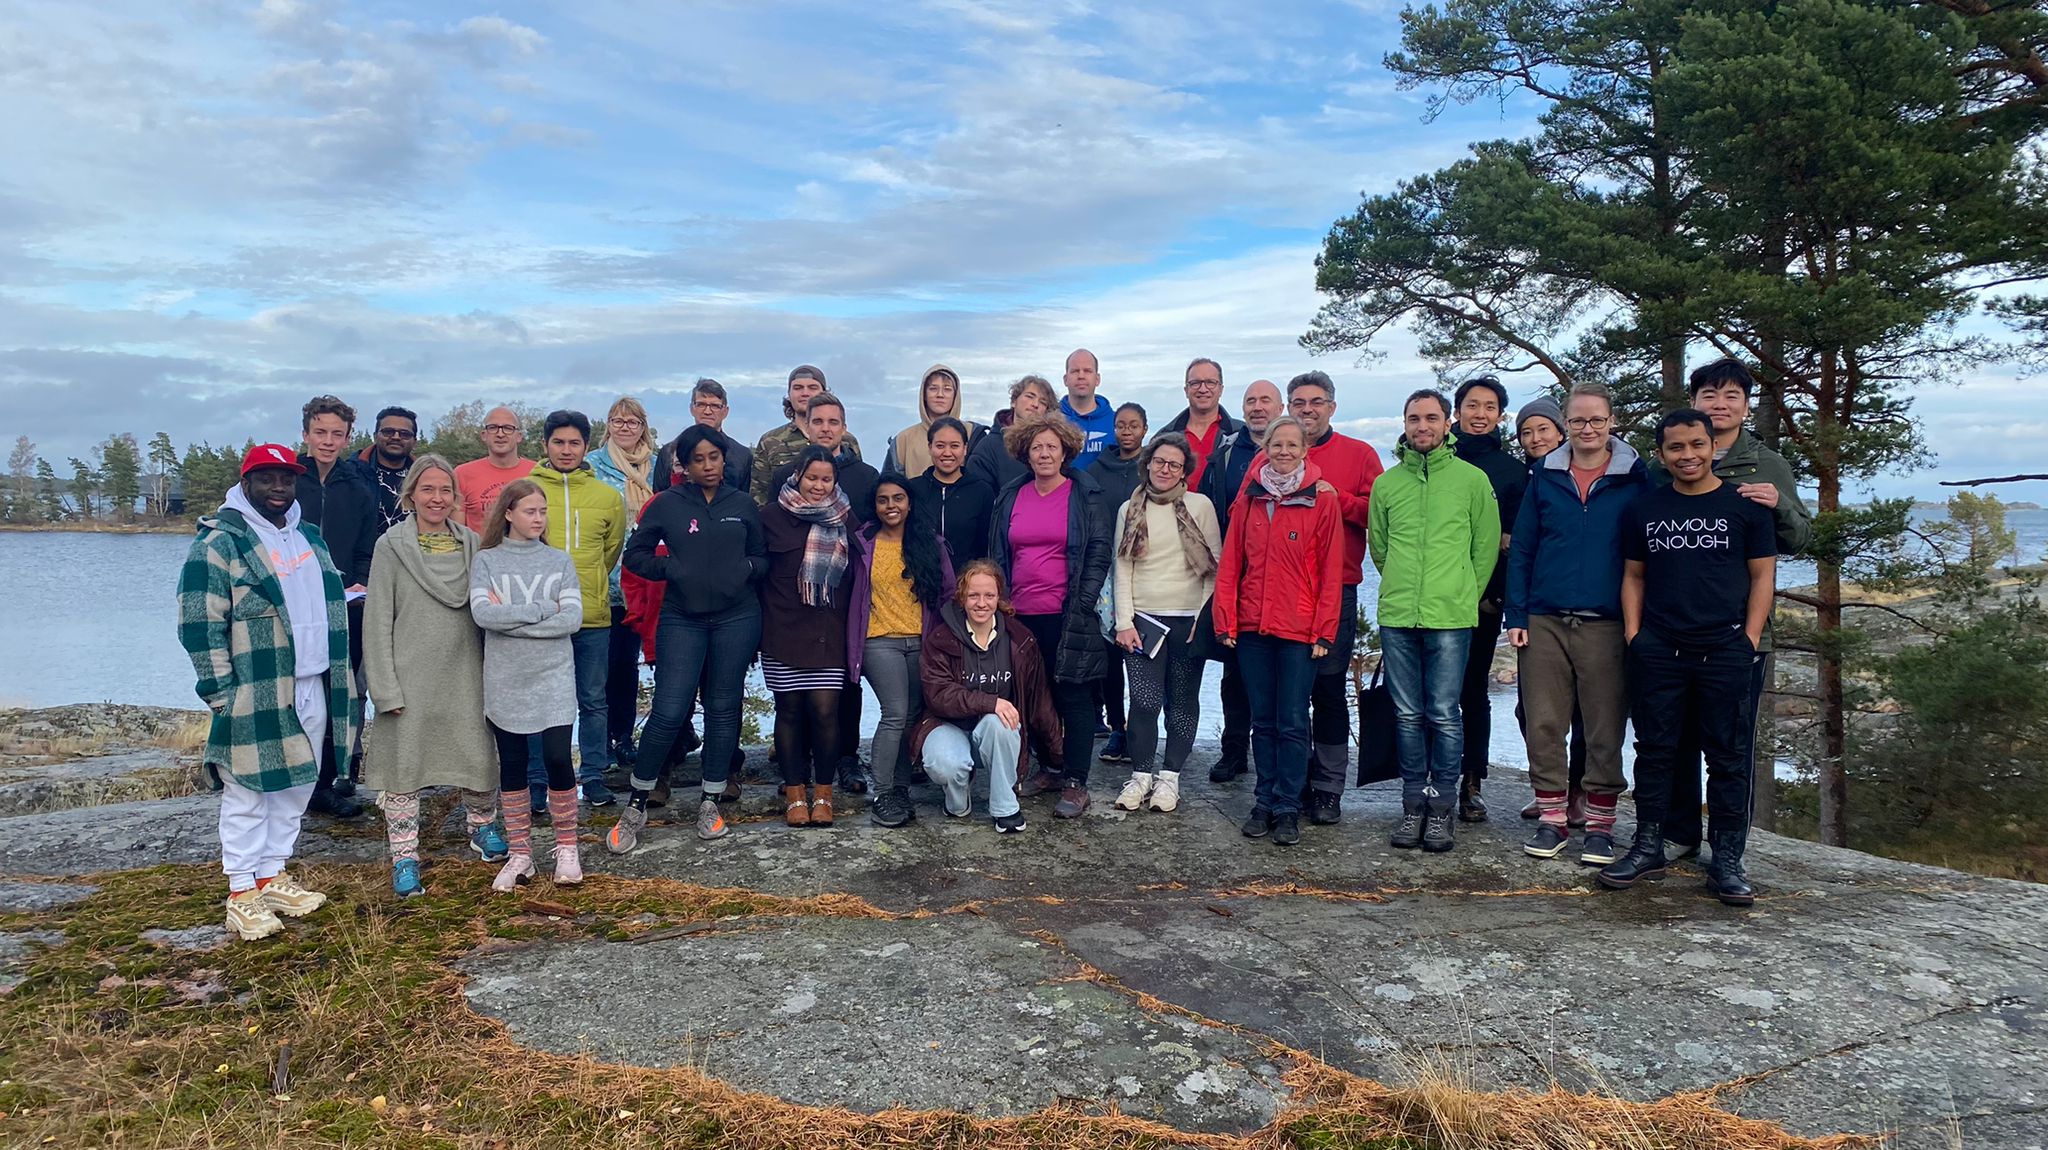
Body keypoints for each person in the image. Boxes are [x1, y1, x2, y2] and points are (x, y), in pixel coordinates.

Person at [1599, 409, 1778, 906]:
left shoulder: (1745, 508)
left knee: (1728, 757)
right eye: (1676, 448)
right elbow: (1633, 576)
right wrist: (1636, 636)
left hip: (1725, 649)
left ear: (1711, 446)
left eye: (1697, 445)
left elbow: (1763, 576)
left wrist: (1748, 639)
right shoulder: (1645, 510)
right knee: (1655, 753)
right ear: (1662, 454)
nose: (1688, 455)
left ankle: (1726, 860)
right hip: (1660, 650)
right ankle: (1648, 846)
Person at [178, 443, 355, 941]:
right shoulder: (219, 542)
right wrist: (219, 693)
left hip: (315, 680)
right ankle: (240, 891)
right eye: (267, 479)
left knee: (299, 781)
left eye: (286, 479)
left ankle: (272, 874)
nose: (278, 488)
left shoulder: (310, 537)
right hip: (255, 687)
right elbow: (198, 622)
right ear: (247, 481)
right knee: (248, 788)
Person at [1656, 358, 1814, 862]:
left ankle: (1728, 848)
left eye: (1731, 396)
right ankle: (1679, 833)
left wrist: (1780, 505)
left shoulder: (1767, 465)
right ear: (1694, 401)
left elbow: (1800, 538)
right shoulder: (1671, 456)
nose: (1719, 405)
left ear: (1746, 406)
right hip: (1671, 632)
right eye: (1709, 395)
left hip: (1738, 633)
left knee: (1730, 746)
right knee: (1673, 739)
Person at [1503, 385, 1646, 868]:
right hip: (1544, 618)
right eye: (1579, 421)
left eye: (1597, 420)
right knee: (1544, 722)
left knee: (1605, 727)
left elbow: (1645, 554)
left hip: (1606, 621)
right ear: (1567, 424)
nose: (1588, 429)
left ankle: (1602, 826)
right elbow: (1523, 546)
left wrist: (1637, 622)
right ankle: (1552, 818)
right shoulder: (1546, 474)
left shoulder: (1635, 477)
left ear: (1611, 421)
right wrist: (1516, 615)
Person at [607, 426, 766, 852]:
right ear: (685, 464)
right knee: (670, 707)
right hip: (683, 618)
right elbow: (636, 556)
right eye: (699, 459)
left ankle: (710, 801)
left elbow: (763, 557)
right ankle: (637, 801)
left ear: (724, 459)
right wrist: (672, 569)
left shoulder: (743, 505)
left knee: (723, 706)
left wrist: (746, 570)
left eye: (715, 457)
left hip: (737, 617)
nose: (709, 465)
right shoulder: (667, 505)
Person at [360, 455, 504, 897]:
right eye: (427, 489)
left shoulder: (475, 545)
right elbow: (377, 618)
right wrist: (384, 687)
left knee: (478, 755)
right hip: (409, 675)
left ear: (456, 498)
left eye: (445, 490)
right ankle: (405, 857)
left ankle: (482, 828)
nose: (437, 498)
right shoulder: (391, 545)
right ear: (411, 496)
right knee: (405, 769)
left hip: (466, 670)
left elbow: (493, 610)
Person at [1370, 389, 1500, 854]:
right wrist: (1405, 586)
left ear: (1448, 424)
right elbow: (1380, 549)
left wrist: (1462, 591)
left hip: (1451, 615)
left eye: (1430, 418)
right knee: (1407, 715)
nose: (1421, 426)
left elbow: (1483, 550)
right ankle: (1411, 805)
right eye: (1413, 418)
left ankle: (1442, 807)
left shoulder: (1471, 480)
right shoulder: (1387, 484)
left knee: (1444, 714)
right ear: (1404, 425)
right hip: (1399, 613)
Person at [1213, 417, 1343, 847]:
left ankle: (1288, 805)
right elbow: (1231, 564)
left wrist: (1325, 631)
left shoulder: (1322, 501)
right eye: (1277, 444)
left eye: (1292, 445)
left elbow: (1330, 571)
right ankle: (1263, 800)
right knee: (1262, 721)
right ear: (1265, 449)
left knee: (1291, 721)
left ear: (1305, 449)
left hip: (1300, 631)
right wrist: (1225, 620)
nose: (1284, 451)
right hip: (1252, 626)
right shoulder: (1249, 500)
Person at [989, 414, 1113, 819]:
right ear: (1025, 452)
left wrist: (1083, 601)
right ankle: (1050, 768)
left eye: (1051, 447)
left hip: (1068, 612)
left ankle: (1076, 782)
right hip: (1019, 613)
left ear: (1066, 452)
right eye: (1037, 447)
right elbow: (999, 553)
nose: (1044, 453)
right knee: (1031, 695)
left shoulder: (1084, 494)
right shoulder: (1012, 494)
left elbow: (1097, 551)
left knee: (1073, 696)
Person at [1275, 372, 1385, 823]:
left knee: (1328, 689)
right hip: (1281, 592)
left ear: (1332, 407)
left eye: (1316, 402)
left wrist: (1336, 499)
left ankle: (1328, 786)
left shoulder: (1358, 455)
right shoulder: (1274, 456)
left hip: (1335, 588)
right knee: (1289, 692)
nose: (1307, 410)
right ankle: (1293, 777)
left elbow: (1379, 515)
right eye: (1298, 402)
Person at [469, 479, 587, 890]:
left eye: (542, 511)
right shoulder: (487, 562)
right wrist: (542, 610)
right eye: (529, 511)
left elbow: (571, 620)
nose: (537, 519)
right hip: (505, 680)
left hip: (553, 676)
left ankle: (567, 847)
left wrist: (515, 620)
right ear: (508, 514)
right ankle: (521, 853)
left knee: (557, 758)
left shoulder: (559, 561)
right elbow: (484, 615)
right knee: (514, 763)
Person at [767, 391, 882, 793]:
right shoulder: (779, 494)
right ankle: (795, 778)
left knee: (838, 699)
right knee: (793, 706)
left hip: (838, 613)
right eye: (819, 422)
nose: (826, 429)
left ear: (844, 428)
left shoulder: (861, 484)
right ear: (807, 424)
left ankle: (839, 770)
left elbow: (869, 547)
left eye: (834, 422)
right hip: (789, 618)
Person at [1108, 433, 1220, 816]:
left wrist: (1202, 621)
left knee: (1183, 702)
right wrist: (1124, 621)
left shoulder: (1200, 506)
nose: (1165, 469)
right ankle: (1140, 774)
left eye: (1174, 464)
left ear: (1184, 469)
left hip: (1188, 619)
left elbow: (1213, 567)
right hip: (1143, 621)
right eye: (1159, 461)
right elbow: (1121, 566)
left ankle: (1169, 777)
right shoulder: (1129, 508)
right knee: (1143, 700)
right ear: (1148, 463)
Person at [912, 561, 1065, 832]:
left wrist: (1056, 755)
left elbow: (1039, 699)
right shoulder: (940, 639)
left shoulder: (1020, 639)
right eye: (973, 595)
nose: (981, 603)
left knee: (1003, 723)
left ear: (999, 597)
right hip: (948, 725)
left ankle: (1004, 807)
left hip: (993, 733)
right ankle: (957, 800)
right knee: (945, 764)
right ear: (961, 597)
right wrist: (990, 702)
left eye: (989, 595)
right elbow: (939, 695)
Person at [530, 410, 629, 806]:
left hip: (592, 615)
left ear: (586, 446)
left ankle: (593, 777)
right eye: (558, 442)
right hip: (538, 618)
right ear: (545, 445)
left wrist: (586, 585)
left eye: (574, 443)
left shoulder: (607, 496)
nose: (566, 450)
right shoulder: (525, 490)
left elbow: (610, 552)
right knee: (539, 701)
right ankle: (537, 783)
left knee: (593, 699)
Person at [759, 446, 857, 827]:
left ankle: (824, 794)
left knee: (825, 712)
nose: (819, 486)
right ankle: (795, 793)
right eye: (812, 477)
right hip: (782, 628)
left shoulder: (847, 517)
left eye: (826, 479)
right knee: (789, 712)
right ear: (798, 475)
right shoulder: (770, 516)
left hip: (828, 631)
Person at [849, 476, 955, 827]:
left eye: (898, 498)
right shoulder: (863, 542)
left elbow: (947, 594)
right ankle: (882, 794)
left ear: (909, 503)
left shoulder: (930, 543)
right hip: (880, 639)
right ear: (875, 505)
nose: (891, 505)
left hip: (921, 641)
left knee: (910, 715)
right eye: (883, 500)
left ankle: (900, 790)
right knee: (894, 713)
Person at [1449, 376, 1529, 822]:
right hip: (1434, 597)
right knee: (1432, 693)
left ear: (1500, 415)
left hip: (1483, 599)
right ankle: (1429, 776)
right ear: (1457, 411)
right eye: (1472, 405)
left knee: (1472, 692)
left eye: (1490, 407)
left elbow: (1515, 544)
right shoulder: (1435, 461)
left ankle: (1471, 781)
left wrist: (1497, 594)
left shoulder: (1513, 472)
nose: (1480, 414)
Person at [292, 395, 375, 817]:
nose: (328, 441)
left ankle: (326, 784)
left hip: (345, 604)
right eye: (320, 432)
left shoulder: (358, 486)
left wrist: (360, 581)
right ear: (306, 433)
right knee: (293, 695)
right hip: (293, 604)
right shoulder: (287, 482)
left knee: (335, 694)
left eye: (336, 434)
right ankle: (289, 781)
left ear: (347, 438)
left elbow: (366, 545)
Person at [1199, 378, 1283, 784]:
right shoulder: (1227, 452)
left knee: (1283, 675)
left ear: (1279, 406)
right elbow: (1206, 508)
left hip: (1284, 580)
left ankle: (1285, 758)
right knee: (1234, 669)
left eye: (1265, 400)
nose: (1257, 407)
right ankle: (1234, 750)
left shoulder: (1290, 451)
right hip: (1236, 574)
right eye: (1250, 401)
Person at [1510, 394, 1588, 822]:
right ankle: (1549, 787)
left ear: (1562, 431)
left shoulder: (1577, 475)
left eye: (1543, 429)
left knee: (1584, 711)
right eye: (1527, 431)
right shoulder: (1529, 476)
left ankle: (1577, 791)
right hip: (1533, 605)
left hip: (1582, 610)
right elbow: (1521, 546)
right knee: (1532, 710)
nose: (1536, 437)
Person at [589, 397, 657, 778]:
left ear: (643, 426)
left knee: (630, 666)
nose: (625, 427)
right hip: (605, 578)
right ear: (609, 425)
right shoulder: (594, 464)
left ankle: (625, 737)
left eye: (632, 421)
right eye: (618, 420)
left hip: (646, 582)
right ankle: (601, 741)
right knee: (603, 666)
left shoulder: (658, 465)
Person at [1087, 401, 1149, 766]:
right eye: (1121, 426)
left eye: (1134, 425)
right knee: (1111, 657)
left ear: (1145, 428)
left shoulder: (1152, 466)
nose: (1127, 432)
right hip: (1108, 570)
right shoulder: (1098, 468)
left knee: (1142, 654)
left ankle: (1143, 732)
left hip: (1146, 570)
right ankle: (1118, 727)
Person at [753, 365, 862, 505]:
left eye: (812, 387)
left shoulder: (847, 440)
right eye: (798, 388)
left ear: (824, 392)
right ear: (789, 394)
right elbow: (759, 496)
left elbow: (859, 482)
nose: (805, 393)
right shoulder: (770, 441)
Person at [907, 416, 994, 565]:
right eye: (940, 446)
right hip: (920, 581)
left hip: (966, 582)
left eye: (954, 446)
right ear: (930, 447)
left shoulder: (982, 491)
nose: (947, 453)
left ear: (965, 448)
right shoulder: (912, 489)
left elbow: (985, 546)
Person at [654, 379, 752, 494]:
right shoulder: (668, 452)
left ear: (725, 411)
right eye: (701, 404)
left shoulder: (742, 456)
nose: (707, 411)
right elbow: (658, 497)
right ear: (692, 408)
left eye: (715, 406)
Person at [1160, 357, 1240, 492]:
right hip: (1176, 511)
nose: (1203, 389)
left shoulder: (1240, 434)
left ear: (1221, 389)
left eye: (1210, 382)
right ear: (1186, 390)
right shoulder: (1164, 437)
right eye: (1195, 383)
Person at [885, 364, 978, 478]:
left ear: (956, 395)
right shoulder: (903, 440)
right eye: (933, 388)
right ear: (924, 394)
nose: (940, 395)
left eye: (947, 389)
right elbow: (890, 486)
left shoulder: (973, 434)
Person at [455, 406, 536, 534]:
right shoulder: (462, 474)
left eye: (508, 428)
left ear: (519, 436)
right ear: (484, 435)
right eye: (493, 428)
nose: (500, 434)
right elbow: (457, 532)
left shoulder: (536, 472)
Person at [969, 374, 1055, 492]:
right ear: (1014, 401)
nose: (1035, 404)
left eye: (1043, 402)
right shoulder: (988, 447)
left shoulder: (1053, 448)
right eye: (1030, 396)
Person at [358, 405, 419, 536]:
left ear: (414, 441)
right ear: (375, 436)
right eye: (388, 432)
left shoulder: (423, 477)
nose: (396, 437)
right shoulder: (352, 474)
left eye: (405, 434)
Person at [1059, 349, 1116, 470]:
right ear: (1065, 379)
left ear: (1097, 379)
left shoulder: (1116, 422)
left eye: (1087, 371)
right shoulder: (1050, 420)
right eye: (1075, 371)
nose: (1081, 376)